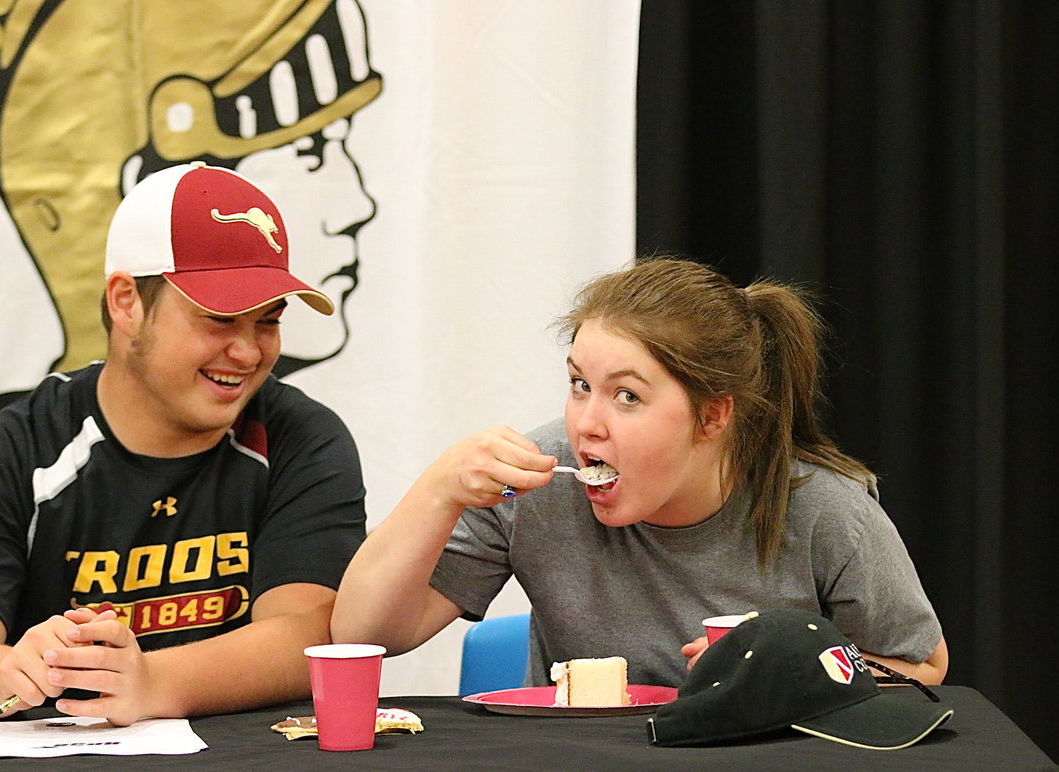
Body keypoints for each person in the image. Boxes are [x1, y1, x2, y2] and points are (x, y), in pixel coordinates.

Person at [331, 257, 948, 689]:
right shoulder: (536, 480)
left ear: (712, 416)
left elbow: (921, 664)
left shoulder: (823, 507)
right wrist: (437, 491)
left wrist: (800, 666)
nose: (586, 425)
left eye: (626, 396)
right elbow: (364, 634)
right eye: (579, 385)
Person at [0, 162, 367, 725]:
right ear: (126, 302)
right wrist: (1, 672)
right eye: (218, 319)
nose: (248, 354)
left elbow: (314, 635)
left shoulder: (301, 439)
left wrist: (154, 682)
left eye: (267, 321)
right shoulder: (5, 450)